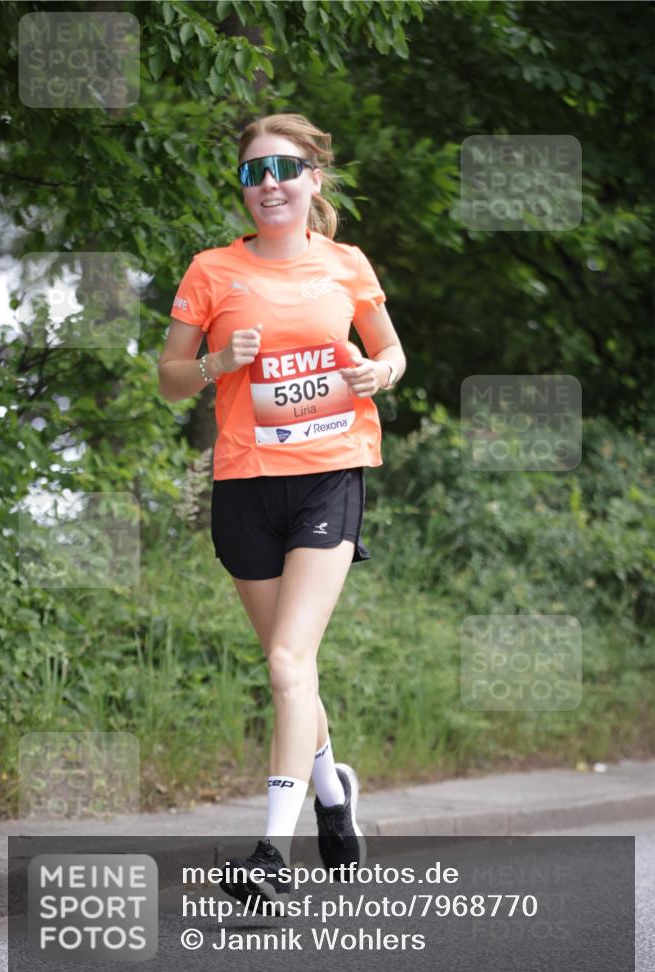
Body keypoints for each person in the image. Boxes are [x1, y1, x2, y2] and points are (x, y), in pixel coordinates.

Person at [159, 112, 406, 907]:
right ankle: (334, 798)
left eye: (283, 169)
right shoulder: (210, 271)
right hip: (244, 486)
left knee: (286, 664)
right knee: (290, 668)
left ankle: (272, 851)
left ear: (312, 180)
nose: (268, 184)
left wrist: (379, 375)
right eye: (252, 173)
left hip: (330, 477)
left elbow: (391, 351)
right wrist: (212, 365)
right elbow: (167, 376)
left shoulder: (346, 264)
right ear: (243, 189)